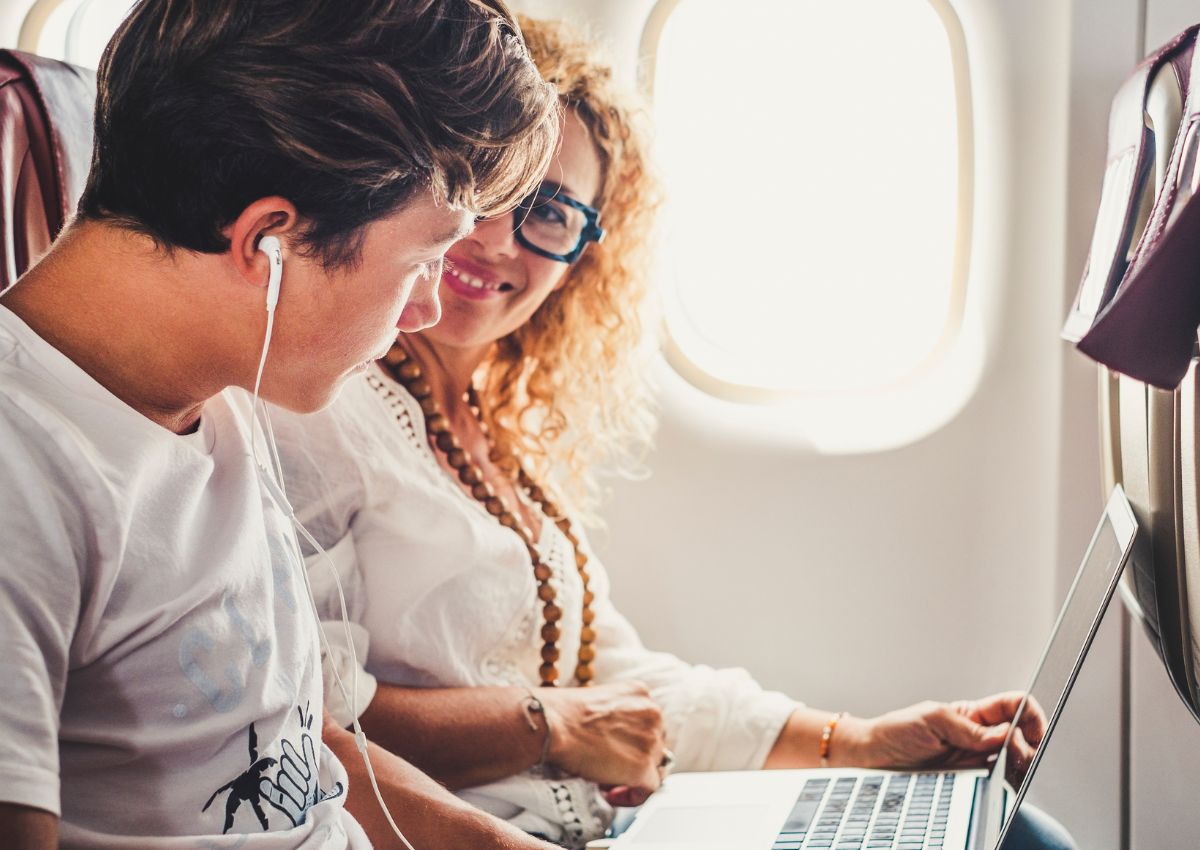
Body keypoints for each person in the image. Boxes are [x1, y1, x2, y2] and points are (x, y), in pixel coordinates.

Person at [272, 16, 1076, 850]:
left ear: (584, 252)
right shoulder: (326, 410)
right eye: (487, 189)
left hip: (600, 821)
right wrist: (546, 725)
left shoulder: (491, 432)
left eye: (549, 212)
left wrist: (859, 740)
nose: (499, 239)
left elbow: (616, 678)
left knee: (1014, 832)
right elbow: (309, 717)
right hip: (484, 832)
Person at [0, 1, 570, 848]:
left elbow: (282, 761)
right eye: (422, 259)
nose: (423, 309)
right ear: (268, 242)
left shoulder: (220, 395)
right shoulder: (25, 477)